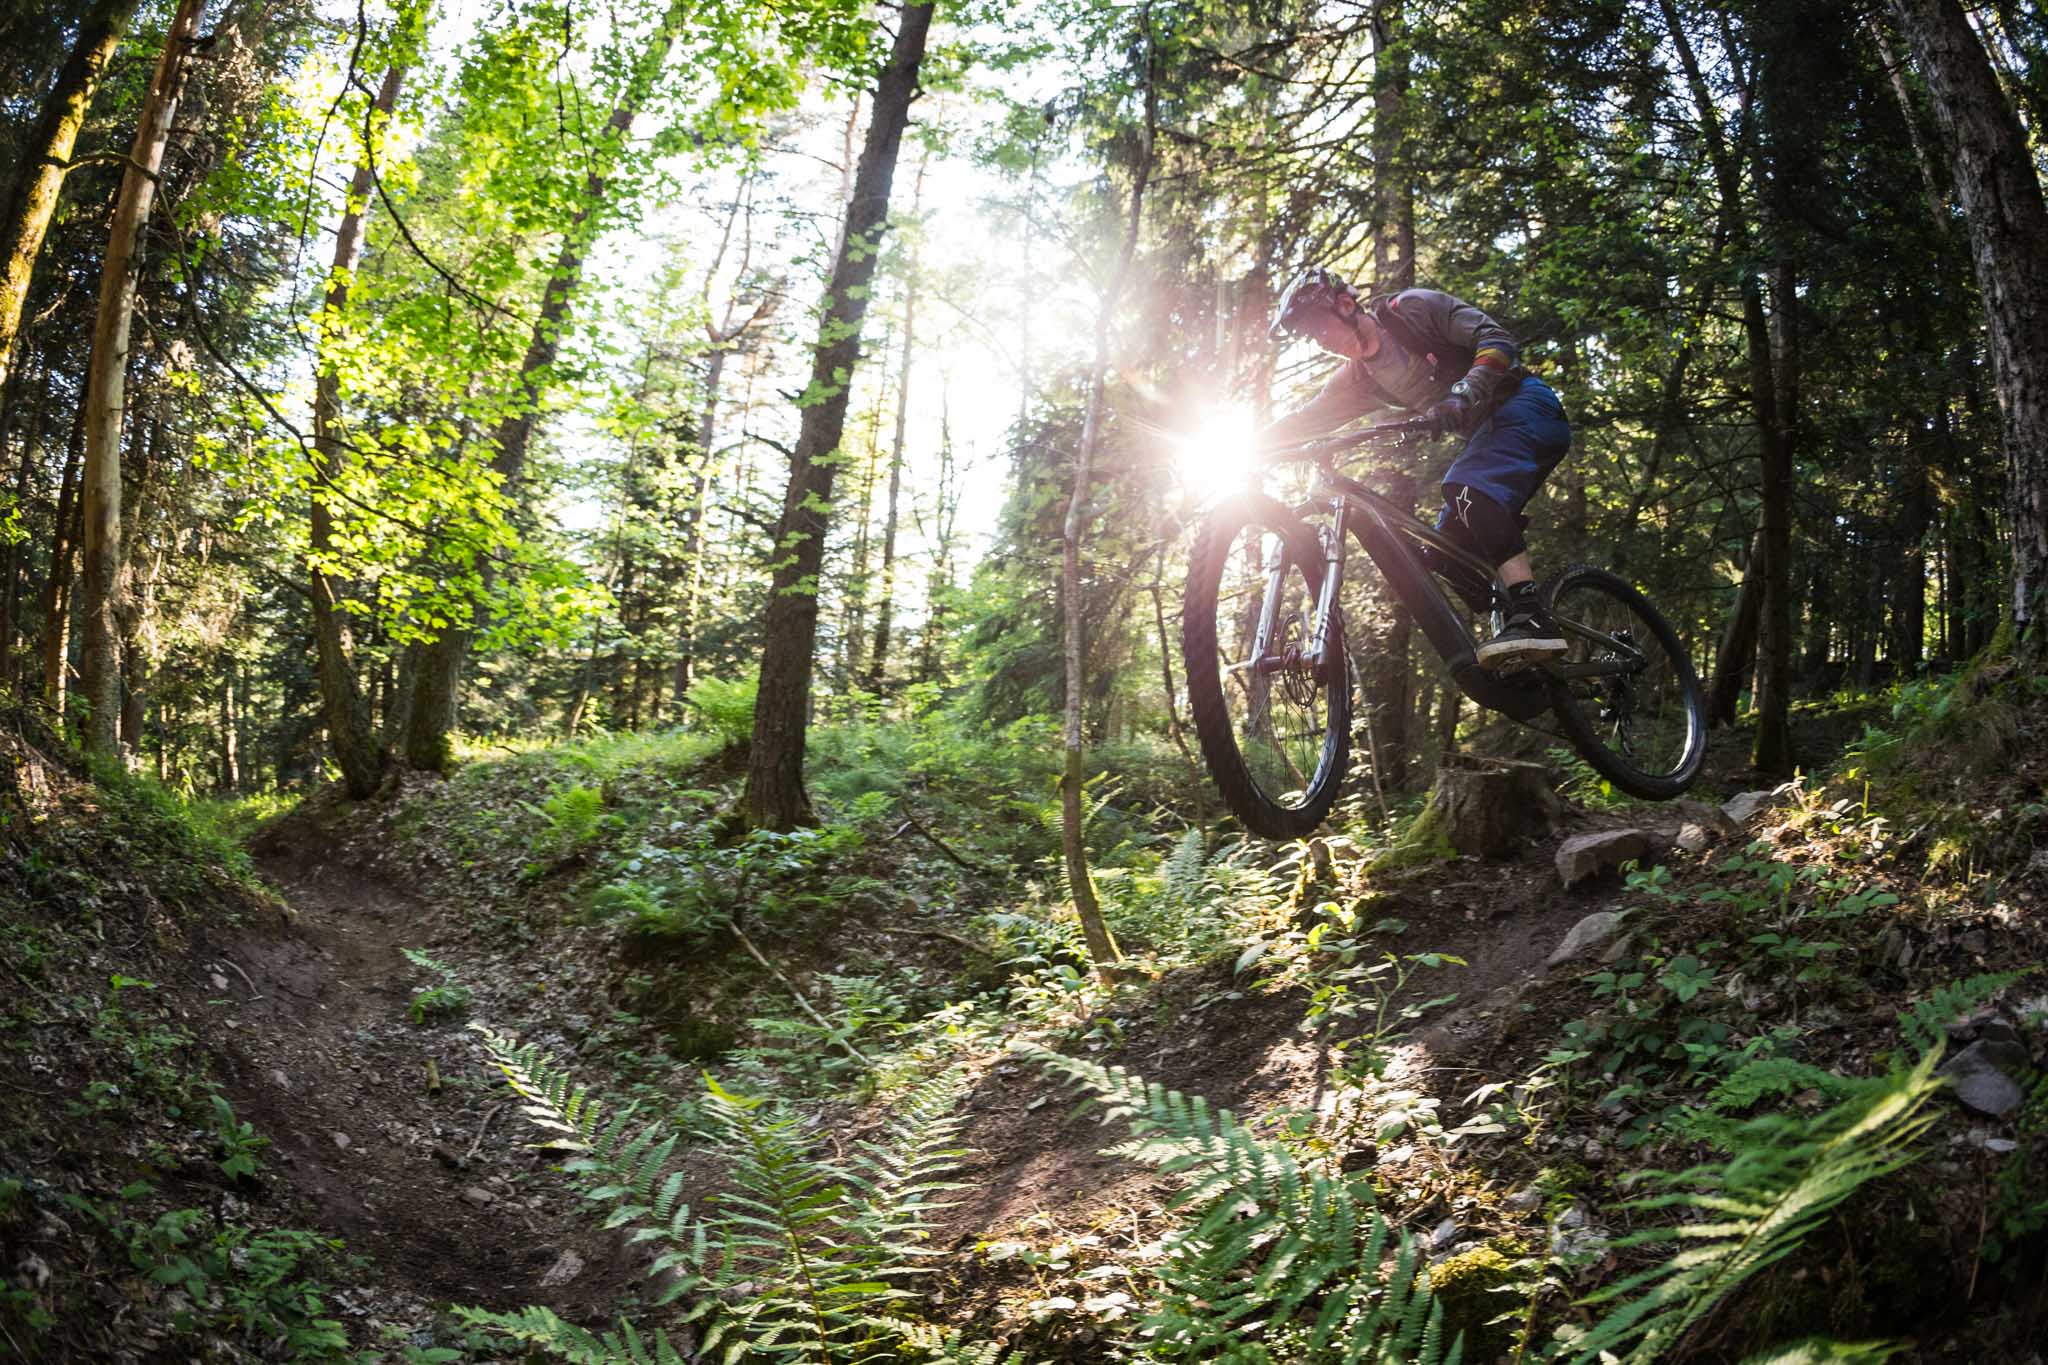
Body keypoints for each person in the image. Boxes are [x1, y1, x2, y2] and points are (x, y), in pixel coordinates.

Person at [1259, 267, 1571, 669]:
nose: (1323, 343)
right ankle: (1515, 630)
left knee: (1468, 489)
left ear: (1345, 304)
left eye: (1321, 329)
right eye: (1313, 339)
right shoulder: (1359, 379)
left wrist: (1464, 393)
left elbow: (1496, 340)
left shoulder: (1412, 310)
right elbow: (1306, 420)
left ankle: (1532, 616)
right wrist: (1249, 448)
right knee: (1444, 552)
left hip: (1526, 407)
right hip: (1489, 437)